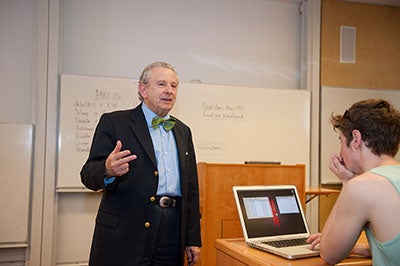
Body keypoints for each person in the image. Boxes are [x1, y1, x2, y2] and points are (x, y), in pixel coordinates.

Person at [80, 61, 202, 266]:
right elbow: (88, 175)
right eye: (162, 84)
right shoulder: (114, 122)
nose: (169, 91)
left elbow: (191, 187)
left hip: (172, 232)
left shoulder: (183, 131)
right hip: (125, 233)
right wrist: (107, 170)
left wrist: (192, 239)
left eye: (174, 85)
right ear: (143, 89)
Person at [307, 99, 400, 265]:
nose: (341, 151)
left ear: (356, 139)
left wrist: (346, 182)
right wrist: (359, 248)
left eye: (341, 141)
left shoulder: (362, 187)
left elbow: (329, 254)